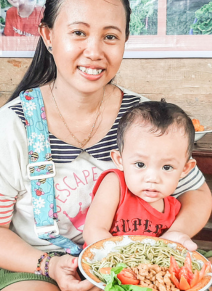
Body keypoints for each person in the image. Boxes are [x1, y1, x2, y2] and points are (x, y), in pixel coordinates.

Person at [0, 0, 212, 290]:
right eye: (78, 33)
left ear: (124, 41)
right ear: (48, 36)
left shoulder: (143, 118)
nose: (94, 52)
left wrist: (170, 241)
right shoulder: (12, 126)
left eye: (110, 36)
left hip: (144, 254)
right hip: (44, 265)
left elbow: (197, 195)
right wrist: (50, 266)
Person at [83, 101, 203, 247]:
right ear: (119, 160)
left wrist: (178, 241)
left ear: (185, 169)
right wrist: (121, 258)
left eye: (167, 167)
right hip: (105, 264)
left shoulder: (174, 209)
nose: (152, 178)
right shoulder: (115, 185)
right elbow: (93, 230)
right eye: (140, 165)